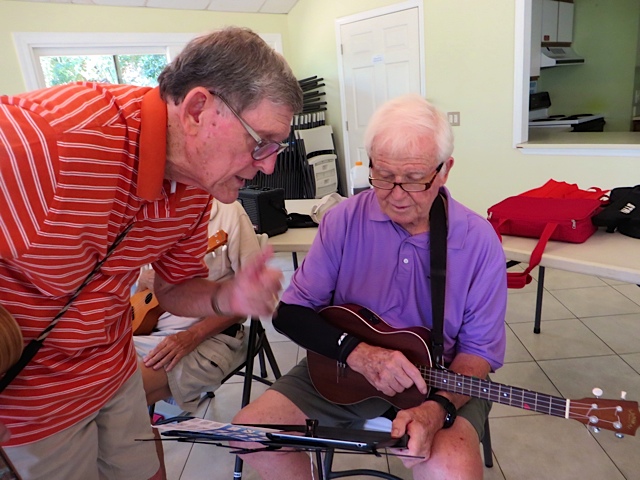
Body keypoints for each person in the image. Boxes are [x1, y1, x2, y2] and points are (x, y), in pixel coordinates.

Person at [0, 26, 302, 480]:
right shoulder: (50, 141)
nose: (270, 165)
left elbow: (175, 289)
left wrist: (229, 297)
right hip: (33, 402)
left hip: (115, 369)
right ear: (198, 110)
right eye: (261, 142)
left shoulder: (197, 188)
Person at [232, 94, 507, 480]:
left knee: (451, 469)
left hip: (441, 379)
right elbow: (290, 314)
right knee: (250, 436)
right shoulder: (342, 221)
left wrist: (437, 409)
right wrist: (359, 355)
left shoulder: (478, 240)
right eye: (383, 176)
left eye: (414, 179)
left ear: (444, 171)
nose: (397, 195)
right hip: (344, 370)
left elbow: (477, 353)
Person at [134, 199, 260, 411]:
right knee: (89, 377)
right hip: (150, 334)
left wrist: (192, 336)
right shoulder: (149, 217)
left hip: (209, 338)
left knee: (117, 392)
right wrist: (143, 282)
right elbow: (141, 302)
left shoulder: (229, 212)